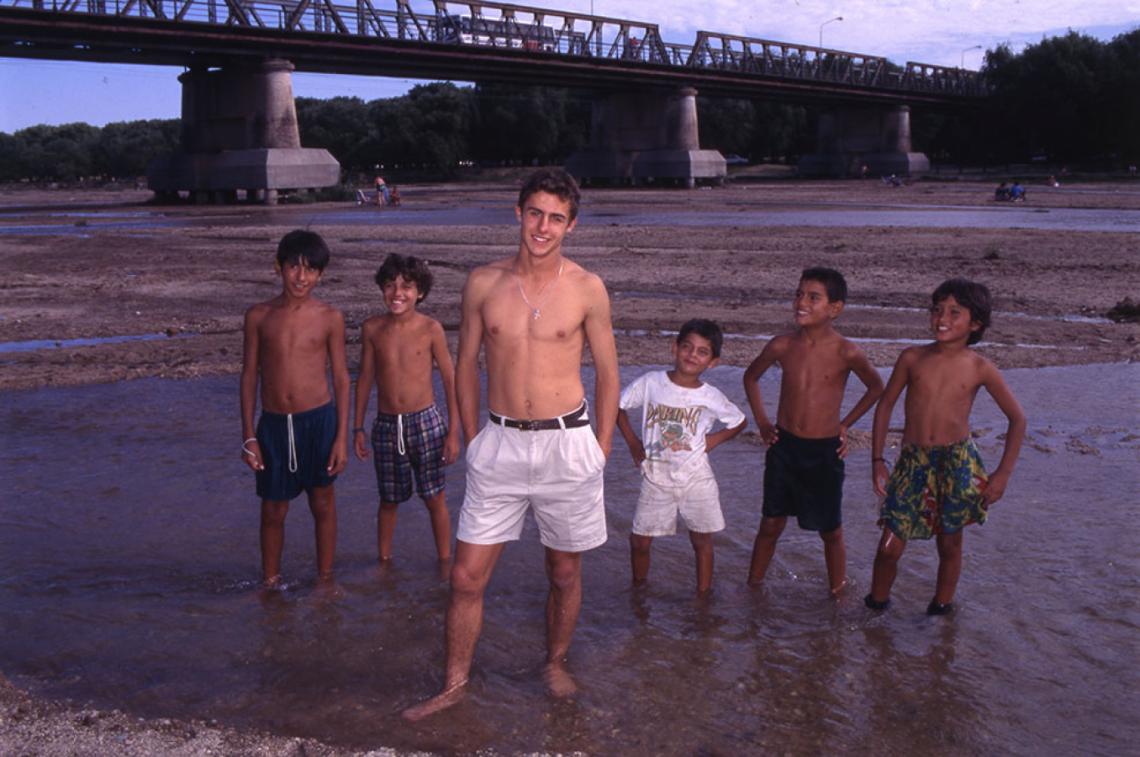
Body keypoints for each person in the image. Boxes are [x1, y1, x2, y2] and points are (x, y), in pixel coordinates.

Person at [402, 168, 619, 720]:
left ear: (572, 224)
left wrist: (602, 447)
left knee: (564, 572)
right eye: (534, 213)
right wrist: (474, 437)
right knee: (466, 575)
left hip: (567, 443)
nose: (542, 227)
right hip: (498, 442)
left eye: (556, 218)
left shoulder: (588, 288)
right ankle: (453, 687)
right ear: (516, 213)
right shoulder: (482, 282)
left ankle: (554, 662)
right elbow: (466, 364)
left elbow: (609, 374)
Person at [865, 279, 1026, 615]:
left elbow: (1017, 420)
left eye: (955, 312)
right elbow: (885, 406)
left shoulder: (980, 367)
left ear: (975, 323)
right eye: (937, 310)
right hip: (913, 461)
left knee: (950, 543)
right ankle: (875, 607)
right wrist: (878, 459)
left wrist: (1002, 475)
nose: (942, 318)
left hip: (957, 462)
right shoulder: (912, 357)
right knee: (890, 545)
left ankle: (941, 610)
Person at [743, 268, 884, 596]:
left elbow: (876, 388)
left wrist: (845, 424)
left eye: (812, 297)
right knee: (771, 523)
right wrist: (763, 422)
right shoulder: (781, 345)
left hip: (824, 451)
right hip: (785, 447)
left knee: (831, 530)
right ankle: (753, 588)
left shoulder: (847, 351)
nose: (801, 302)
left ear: (835, 308)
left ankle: (838, 593)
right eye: (798, 294)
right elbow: (751, 377)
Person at [239, 230, 350, 588]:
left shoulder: (330, 316)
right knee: (273, 509)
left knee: (323, 503)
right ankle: (270, 582)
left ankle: (325, 580)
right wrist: (249, 437)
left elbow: (342, 379)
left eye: (311, 270)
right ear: (278, 267)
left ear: (321, 274)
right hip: (273, 425)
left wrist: (342, 438)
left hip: (319, 421)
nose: (302, 277)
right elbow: (249, 377)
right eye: (294, 267)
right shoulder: (258, 316)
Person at [616, 319, 746, 595]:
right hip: (655, 477)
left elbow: (739, 422)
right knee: (640, 541)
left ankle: (703, 594)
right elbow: (619, 406)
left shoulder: (710, 396)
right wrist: (632, 443)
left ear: (712, 362)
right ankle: (638, 590)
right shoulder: (651, 382)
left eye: (702, 352)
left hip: (697, 479)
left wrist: (713, 440)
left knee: (701, 540)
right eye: (687, 347)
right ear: (674, 348)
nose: (692, 355)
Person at [353, 254, 461, 565]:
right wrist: (357, 427)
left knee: (434, 497)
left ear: (420, 292)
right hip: (386, 426)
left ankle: (444, 562)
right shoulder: (372, 329)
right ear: (381, 289)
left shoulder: (431, 329)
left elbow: (449, 378)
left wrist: (454, 431)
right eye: (390, 286)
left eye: (406, 287)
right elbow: (365, 379)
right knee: (388, 500)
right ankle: (384, 562)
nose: (397, 293)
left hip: (426, 422)